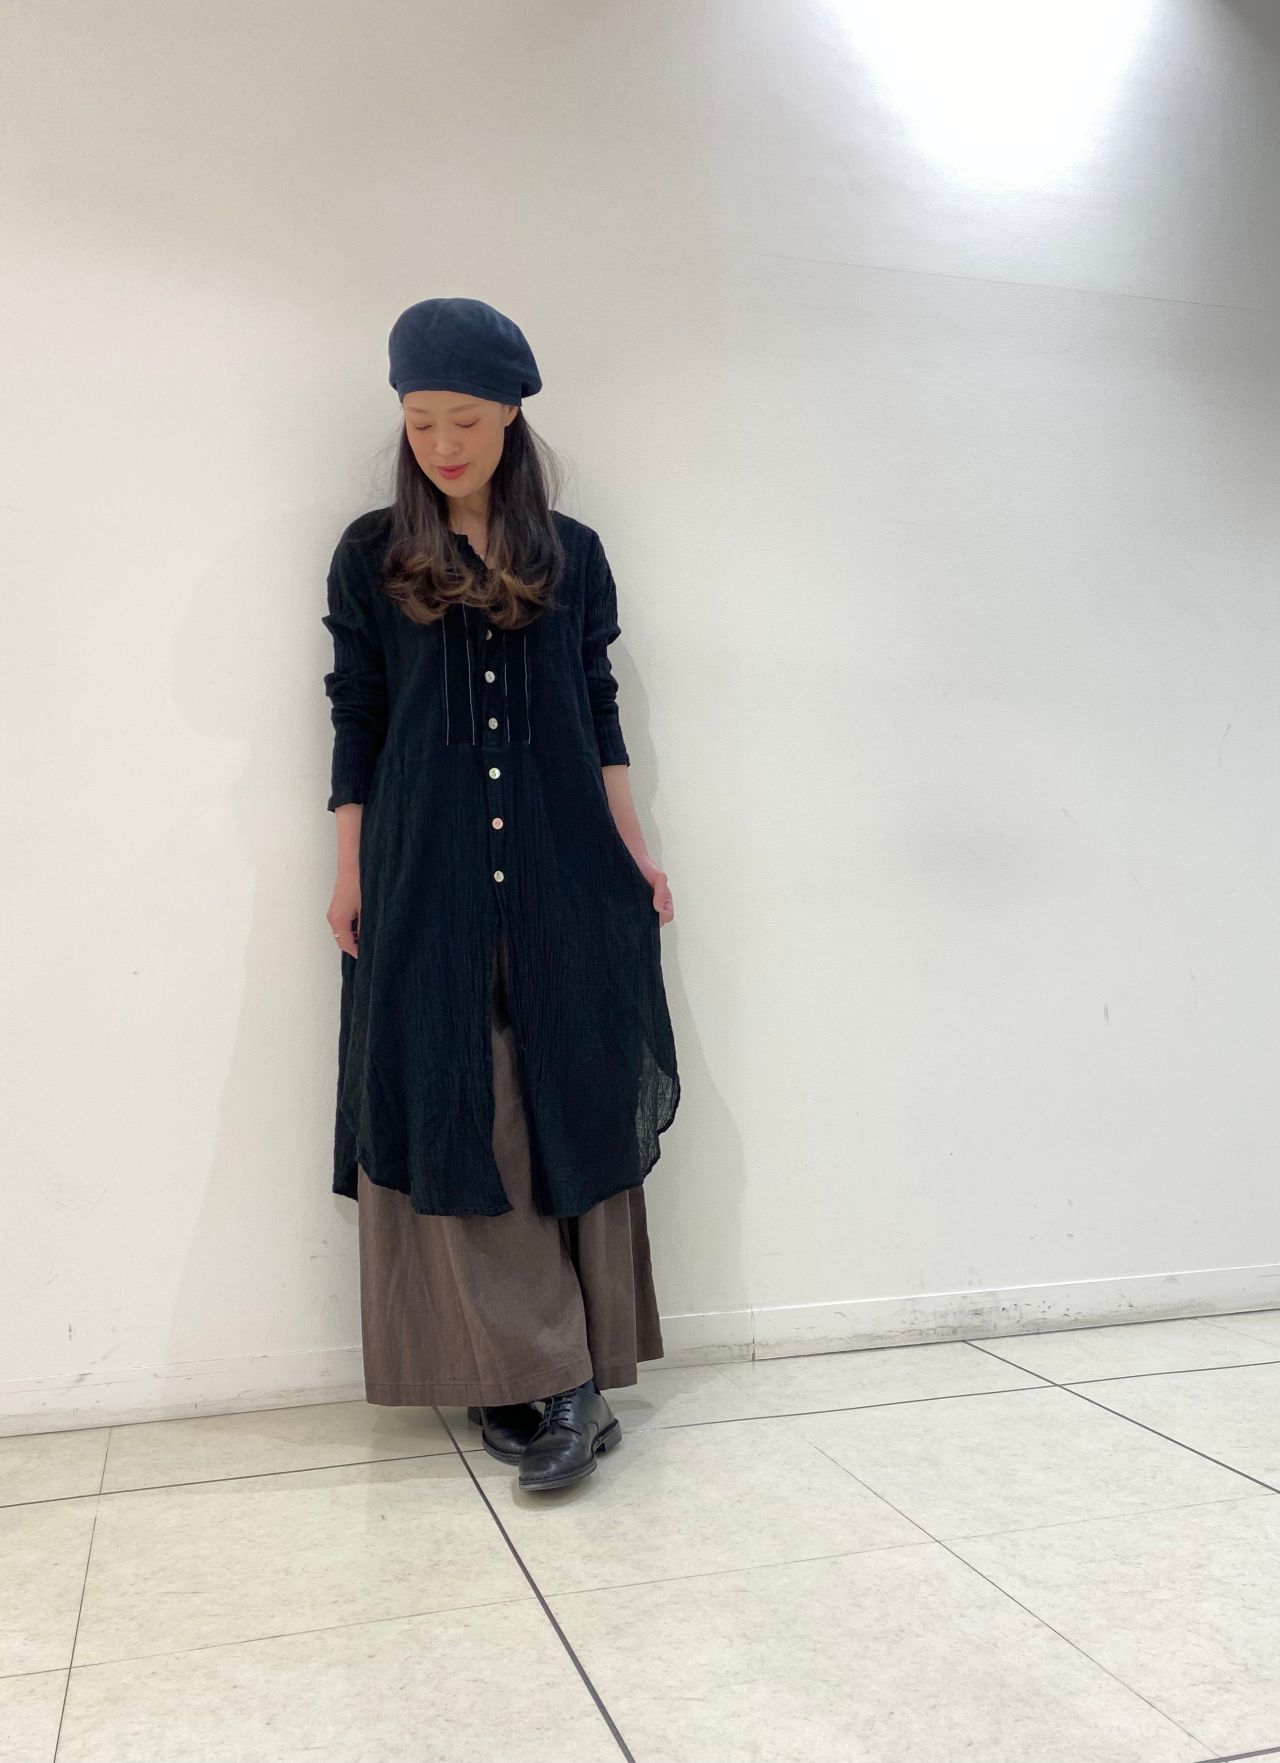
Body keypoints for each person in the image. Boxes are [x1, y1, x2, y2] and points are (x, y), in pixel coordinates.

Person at [321, 297, 681, 1492]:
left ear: (512, 414)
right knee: (460, 1108)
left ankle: (550, 1381)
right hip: (423, 868)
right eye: (419, 419)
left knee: (564, 1088)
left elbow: (596, 710)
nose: (441, 442)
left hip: (561, 858)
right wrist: (348, 868)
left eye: (464, 419)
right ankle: (545, 1376)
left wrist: (633, 849)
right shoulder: (370, 554)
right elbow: (358, 715)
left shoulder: (571, 554)